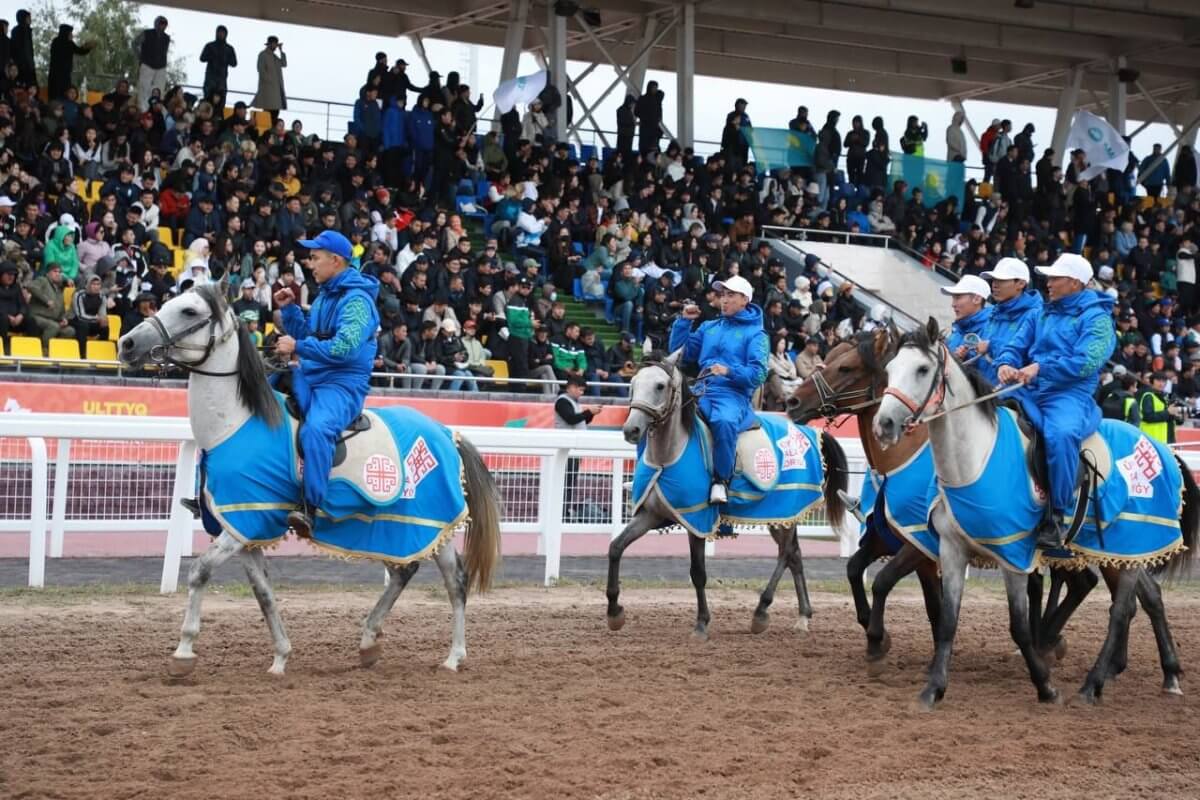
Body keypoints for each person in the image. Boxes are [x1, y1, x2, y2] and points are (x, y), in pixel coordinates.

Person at [995, 253, 1116, 549]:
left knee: (1060, 435)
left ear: (1074, 283)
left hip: (1069, 394)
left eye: (1055, 278)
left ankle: (1056, 515)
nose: (1048, 283)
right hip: (1027, 388)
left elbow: (1086, 362)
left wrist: (1040, 368)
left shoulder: (1098, 319)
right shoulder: (1040, 313)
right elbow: (1014, 346)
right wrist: (1005, 363)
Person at [273, 230, 380, 538]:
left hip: (342, 385)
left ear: (336, 261)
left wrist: (297, 347)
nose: (310, 264)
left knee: (316, 429)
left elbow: (344, 347)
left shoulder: (357, 301)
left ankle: (310, 507)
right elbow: (310, 337)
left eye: (315, 258)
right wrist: (291, 310)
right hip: (311, 374)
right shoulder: (324, 295)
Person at [668, 274, 769, 505]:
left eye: (730, 295)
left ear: (745, 299)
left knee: (723, 422)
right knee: (661, 412)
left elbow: (759, 374)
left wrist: (729, 371)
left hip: (732, 394)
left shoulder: (757, 335)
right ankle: (651, 471)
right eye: (722, 295)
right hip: (701, 388)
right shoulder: (708, 327)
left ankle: (720, 482)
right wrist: (684, 322)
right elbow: (681, 355)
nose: (724, 300)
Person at [976, 258, 1042, 386]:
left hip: (1007, 393)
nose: (994, 284)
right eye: (994, 280)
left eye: (1001, 280)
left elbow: (1028, 356)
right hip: (981, 387)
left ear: (1021, 284)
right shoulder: (994, 312)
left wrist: (991, 346)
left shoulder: (1035, 315)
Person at [941, 274, 992, 364]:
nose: (953, 304)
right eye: (953, 298)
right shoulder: (959, 327)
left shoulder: (990, 330)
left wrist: (964, 359)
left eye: (958, 298)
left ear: (977, 299)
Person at [47, 24, 93, 101]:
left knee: (64, 96)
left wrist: (87, 47)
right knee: (56, 96)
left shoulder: (68, 43)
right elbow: (79, 51)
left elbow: (80, 51)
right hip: (57, 75)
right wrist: (85, 48)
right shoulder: (58, 42)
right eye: (70, 33)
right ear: (66, 33)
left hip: (64, 75)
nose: (72, 35)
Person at [133, 15, 170, 111]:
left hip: (161, 66)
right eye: (161, 23)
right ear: (156, 23)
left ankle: (157, 109)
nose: (163, 26)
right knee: (144, 88)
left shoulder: (167, 38)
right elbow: (134, 43)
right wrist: (140, 57)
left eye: (164, 24)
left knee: (159, 89)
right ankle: (143, 110)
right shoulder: (147, 33)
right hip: (147, 64)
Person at [200, 25, 237, 112]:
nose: (221, 35)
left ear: (226, 35)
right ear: (216, 33)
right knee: (207, 106)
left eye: (223, 33)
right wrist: (212, 56)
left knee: (220, 109)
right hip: (210, 82)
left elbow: (234, 63)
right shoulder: (210, 46)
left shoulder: (229, 48)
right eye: (219, 32)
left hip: (222, 83)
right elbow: (202, 58)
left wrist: (226, 58)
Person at [1138, 371, 1182, 444]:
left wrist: (1179, 417)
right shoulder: (1148, 396)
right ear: (1152, 381)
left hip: (1167, 439)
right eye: (1158, 381)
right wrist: (1167, 412)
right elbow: (1148, 417)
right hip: (1151, 440)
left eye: (1164, 381)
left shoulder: (1167, 396)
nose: (1161, 384)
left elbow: (1170, 419)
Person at [253, 35, 287, 125]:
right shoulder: (263, 55)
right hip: (268, 91)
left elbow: (284, 63)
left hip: (276, 92)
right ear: (270, 44)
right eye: (274, 44)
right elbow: (260, 70)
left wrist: (281, 51)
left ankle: (271, 134)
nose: (275, 46)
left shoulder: (275, 57)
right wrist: (270, 81)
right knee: (267, 114)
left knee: (275, 114)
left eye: (276, 44)